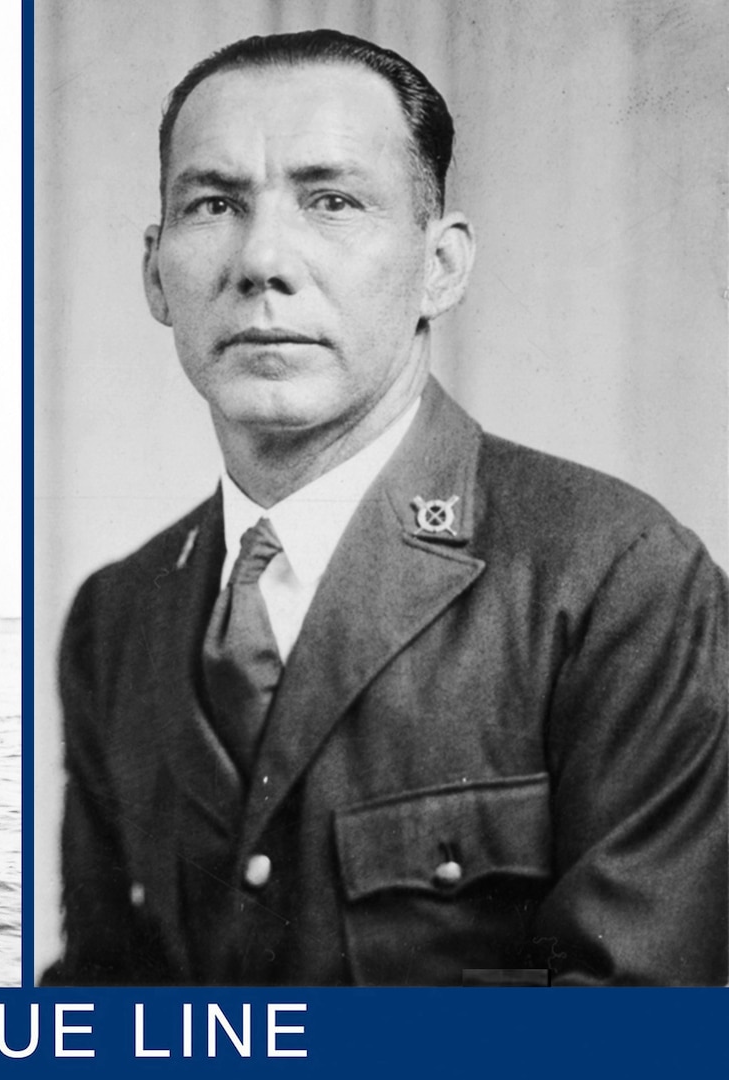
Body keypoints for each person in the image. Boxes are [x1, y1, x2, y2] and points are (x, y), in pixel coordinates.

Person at [46, 29, 727, 987]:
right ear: (156, 273)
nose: (263, 260)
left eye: (332, 201)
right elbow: (96, 1004)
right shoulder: (115, 619)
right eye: (214, 204)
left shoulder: (620, 583)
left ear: (441, 266)